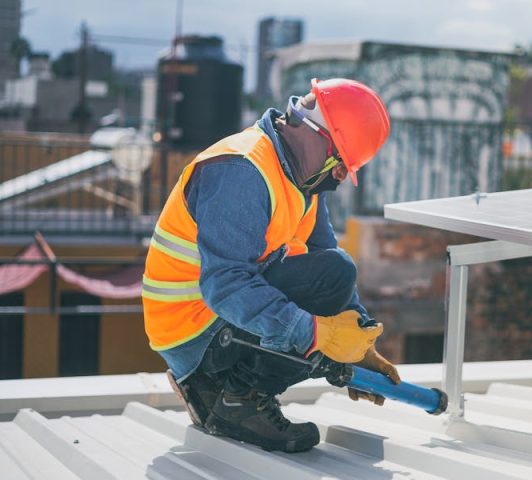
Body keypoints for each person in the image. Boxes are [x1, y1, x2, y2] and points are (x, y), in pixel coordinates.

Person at [142, 78, 400, 453]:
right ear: (315, 134)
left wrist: (358, 345)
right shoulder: (241, 169)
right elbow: (226, 285)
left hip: (220, 319)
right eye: (341, 163)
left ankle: (227, 390)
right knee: (329, 288)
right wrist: (317, 335)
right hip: (193, 330)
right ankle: (238, 400)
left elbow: (324, 266)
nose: (340, 177)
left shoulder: (303, 179)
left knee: (334, 274)